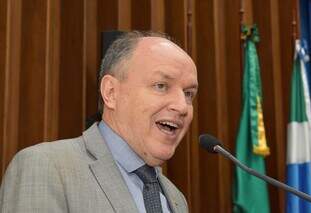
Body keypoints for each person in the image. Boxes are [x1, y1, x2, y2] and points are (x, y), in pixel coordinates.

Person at [0, 31, 198, 213]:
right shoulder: (46, 167)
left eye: (188, 94)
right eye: (161, 86)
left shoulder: (176, 198)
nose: (182, 107)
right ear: (111, 92)